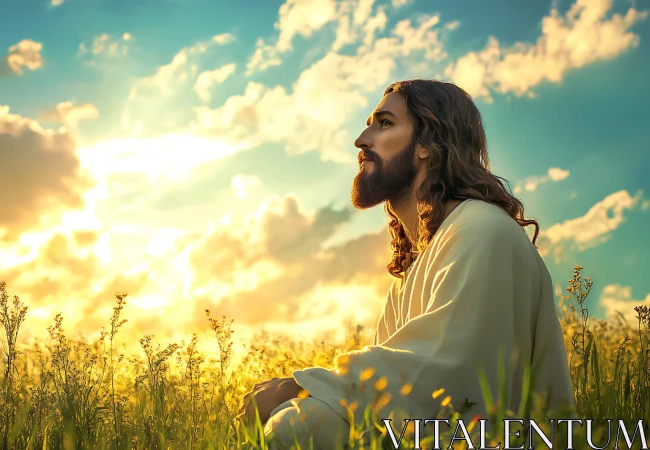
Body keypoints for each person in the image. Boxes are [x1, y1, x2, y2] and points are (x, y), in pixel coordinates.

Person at [236, 79, 577, 449]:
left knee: (303, 424)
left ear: (429, 145)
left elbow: (450, 379)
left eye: (384, 124)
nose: (362, 140)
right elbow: (390, 398)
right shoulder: (412, 272)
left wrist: (299, 385)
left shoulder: (482, 228)